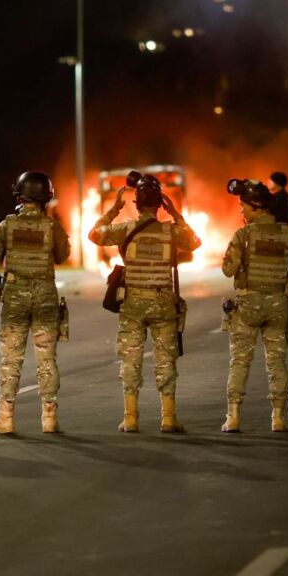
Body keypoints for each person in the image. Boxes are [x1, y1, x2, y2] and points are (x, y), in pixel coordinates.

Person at [89, 174, 201, 433]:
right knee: (166, 360)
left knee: (130, 360)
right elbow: (194, 242)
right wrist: (175, 213)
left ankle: (130, 418)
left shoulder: (125, 228)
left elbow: (94, 234)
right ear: (159, 204)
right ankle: (169, 418)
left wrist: (113, 210)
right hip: (163, 302)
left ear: (136, 204)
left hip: (133, 303)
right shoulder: (170, 231)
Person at [0, 171, 70, 434]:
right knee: (47, 359)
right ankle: (49, 418)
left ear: (20, 195)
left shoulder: (7, 225)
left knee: (11, 359)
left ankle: (6, 419)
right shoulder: (52, 227)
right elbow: (63, 256)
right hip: (45, 296)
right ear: (46, 198)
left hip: (15, 297)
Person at [221, 179, 288, 433]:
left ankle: (233, 418)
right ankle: (278, 419)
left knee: (239, 361)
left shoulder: (244, 235)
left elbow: (228, 270)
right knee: (277, 362)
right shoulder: (287, 233)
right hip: (278, 305)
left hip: (249, 306)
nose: (241, 211)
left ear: (257, 208)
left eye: (244, 206)